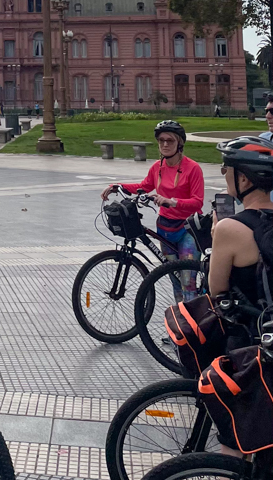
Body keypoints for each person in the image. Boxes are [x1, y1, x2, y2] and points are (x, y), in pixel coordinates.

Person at [208, 136, 273, 457]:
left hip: (249, 347)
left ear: (244, 178)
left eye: (227, 170)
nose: (224, 174)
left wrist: (216, 234)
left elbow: (216, 290)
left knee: (235, 443)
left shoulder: (230, 229)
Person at [101, 121, 205, 300]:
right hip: (165, 229)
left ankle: (195, 324)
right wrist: (117, 186)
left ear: (179, 143)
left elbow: (197, 202)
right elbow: (144, 186)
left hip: (187, 229)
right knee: (175, 279)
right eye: (161, 140)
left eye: (170, 141)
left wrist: (172, 202)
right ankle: (181, 320)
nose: (165, 144)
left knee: (187, 280)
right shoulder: (158, 167)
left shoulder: (192, 168)